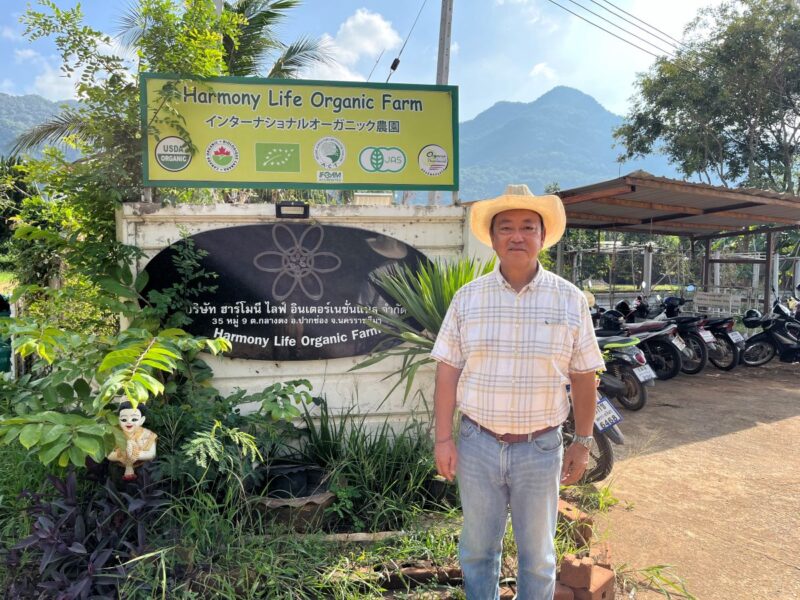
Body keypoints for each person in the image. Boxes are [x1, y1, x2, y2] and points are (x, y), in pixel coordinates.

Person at [430, 184, 604, 600]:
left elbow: (584, 376)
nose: (517, 236)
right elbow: (447, 372)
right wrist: (443, 438)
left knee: (539, 555)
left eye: (528, 227)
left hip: (540, 448)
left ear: (543, 238)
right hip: (477, 445)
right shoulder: (467, 298)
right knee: (476, 550)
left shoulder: (569, 299)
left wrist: (583, 441)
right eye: (505, 227)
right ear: (492, 239)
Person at [107, 401, 158, 481]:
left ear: (142, 420)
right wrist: (122, 455)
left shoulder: (148, 435)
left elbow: (151, 454)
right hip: (119, 467)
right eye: (124, 419)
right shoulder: (114, 434)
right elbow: (109, 454)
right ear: (118, 420)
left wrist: (134, 454)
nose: (129, 422)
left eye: (134, 419)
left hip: (142, 467)